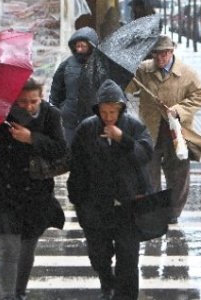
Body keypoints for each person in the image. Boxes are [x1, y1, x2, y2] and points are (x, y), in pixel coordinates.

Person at [67, 79, 154, 300]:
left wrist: (122, 139)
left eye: (113, 111)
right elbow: (76, 166)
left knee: (128, 257)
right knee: (99, 254)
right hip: (95, 205)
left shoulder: (133, 126)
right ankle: (108, 284)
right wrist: (79, 202)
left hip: (128, 203)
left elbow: (145, 154)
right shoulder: (87, 128)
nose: (108, 116)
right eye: (104, 112)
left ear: (121, 109)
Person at [0, 77, 66, 300]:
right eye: (22, 102)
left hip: (36, 193)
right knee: (9, 248)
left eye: (33, 101)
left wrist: (32, 138)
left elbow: (60, 149)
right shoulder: (1, 116)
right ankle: (8, 296)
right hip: (4, 192)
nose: (29, 106)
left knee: (27, 249)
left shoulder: (51, 115)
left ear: (41, 96)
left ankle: (19, 293)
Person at [126, 35, 201, 224]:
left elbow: (198, 97)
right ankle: (154, 209)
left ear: (171, 52)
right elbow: (129, 88)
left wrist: (178, 110)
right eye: (156, 55)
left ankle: (173, 211)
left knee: (178, 173)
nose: (159, 59)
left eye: (163, 54)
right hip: (150, 130)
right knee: (148, 172)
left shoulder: (187, 74)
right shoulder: (143, 70)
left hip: (177, 131)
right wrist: (126, 72)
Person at [49, 26, 99, 145]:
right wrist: (59, 110)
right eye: (78, 46)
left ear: (91, 46)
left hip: (93, 118)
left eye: (83, 46)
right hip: (70, 120)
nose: (80, 49)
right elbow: (56, 90)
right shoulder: (67, 65)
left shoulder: (100, 66)